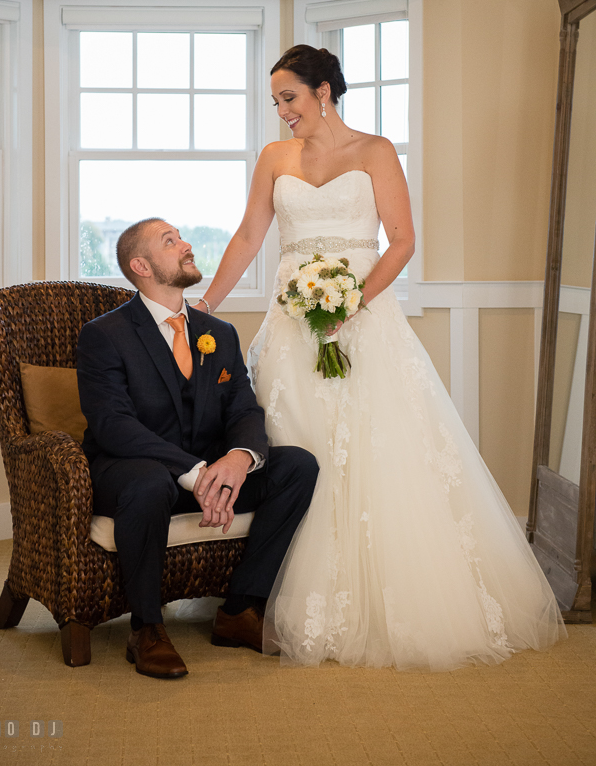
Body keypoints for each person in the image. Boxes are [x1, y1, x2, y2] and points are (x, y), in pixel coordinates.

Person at [189, 44, 566, 670]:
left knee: (372, 450)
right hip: (290, 325)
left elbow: (403, 240)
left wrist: (351, 303)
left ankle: (364, 598)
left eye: (290, 98)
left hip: (361, 320)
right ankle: (264, 590)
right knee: (293, 442)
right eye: (276, 101)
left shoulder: (375, 151)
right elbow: (251, 234)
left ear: (323, 93)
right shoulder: (274, 158)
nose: (282, 112)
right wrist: (207, 302)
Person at [76, 217, 319, 679]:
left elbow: (244, 412)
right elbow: (113, 426)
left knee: (297, 467)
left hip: (208, 476)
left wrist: (238, 459)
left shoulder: (218, 333)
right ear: (141, 265)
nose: (186, 244)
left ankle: (241, 608)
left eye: (181, 236)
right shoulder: (104, 335)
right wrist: (194, 470)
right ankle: (146, 628)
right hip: (133, 474)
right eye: (171, 241)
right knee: (148, 484)